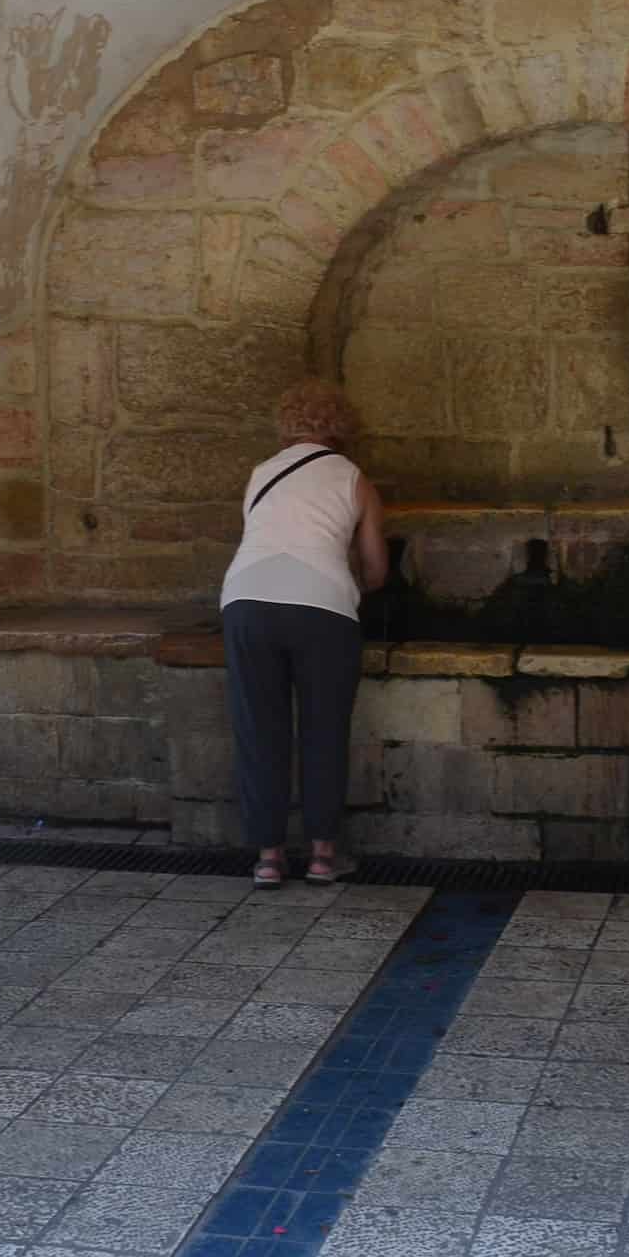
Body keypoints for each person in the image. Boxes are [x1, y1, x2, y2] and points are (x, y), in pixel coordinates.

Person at [220, 378, 388, 888]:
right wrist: (350, 580)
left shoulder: (261, 473)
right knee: (323, 729)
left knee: (259, 729)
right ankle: (321, 855)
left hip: (245, 599)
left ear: (287, 423)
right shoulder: (355, 479)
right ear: (341, 425)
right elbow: (377, 569)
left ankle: (268, 857)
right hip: (322, 606)